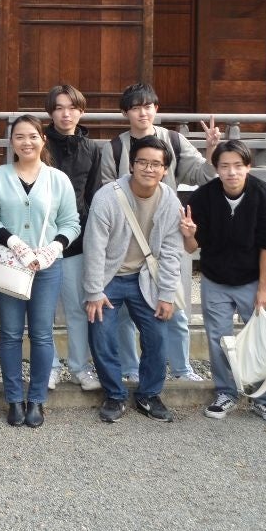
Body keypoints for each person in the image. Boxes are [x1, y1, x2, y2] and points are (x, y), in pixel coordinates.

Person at [97, 82, 219, 383]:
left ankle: (181, 369)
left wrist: (212, 152)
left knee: (174, 304)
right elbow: (106, 194)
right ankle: (130, 369)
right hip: (126, 239)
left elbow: (203, 175)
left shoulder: (173, 141)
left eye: (148, 106)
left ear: (156, 108)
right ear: (125, 113)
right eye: (136, 107)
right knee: (124, 313)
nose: (143, 112)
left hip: (166, 235)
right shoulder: (114, 148)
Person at [0, 114, 80, 427]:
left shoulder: (57, 179)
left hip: (47, 266)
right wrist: (14, 242)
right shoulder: (0, 176)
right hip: (11, 263)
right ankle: (13, 399)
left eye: (33, 136)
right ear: (12, 142)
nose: (27, 142)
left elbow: (71, 222)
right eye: (20, 137)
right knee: (10, 333)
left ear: (43, 140)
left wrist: (54, 248)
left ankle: (36, 399)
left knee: (42, 333)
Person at [180, 139, 266, 423]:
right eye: (225, 166)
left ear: (248, 167)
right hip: (215, 278)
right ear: (216, 168)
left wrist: (263, 288)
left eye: (238, 166)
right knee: (219, 340)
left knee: (263, 338)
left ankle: (264, 398)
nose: (231, 172)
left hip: (252, 278)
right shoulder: (202, 197)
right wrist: (189, 234)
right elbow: (192, 248)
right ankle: (225, 392)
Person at [83, 136, 184, 424]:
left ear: (165, 169)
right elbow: (95, 247)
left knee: (157, 335)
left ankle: (149, 394)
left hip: (145, 278)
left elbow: (171, 251)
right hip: (109, 277)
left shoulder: (169, 200)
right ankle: (114, 394)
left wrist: (166, 294)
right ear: (131, 165)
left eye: (156, 164)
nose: (149, 169)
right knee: (102, 335)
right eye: (142, 162)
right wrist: (94, 291)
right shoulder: (107, 196)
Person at [42, 83, 104, 393]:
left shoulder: (92, 149)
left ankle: (80, 366)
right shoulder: (39, 142)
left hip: (76, 240)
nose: (66, 114)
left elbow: (93, 196)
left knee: (78, 309)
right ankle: (49, 367)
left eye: (72, 108)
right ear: (51, 112)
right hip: (40, 241)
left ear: (81, 111)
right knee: (44, 311)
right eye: (59, 108)